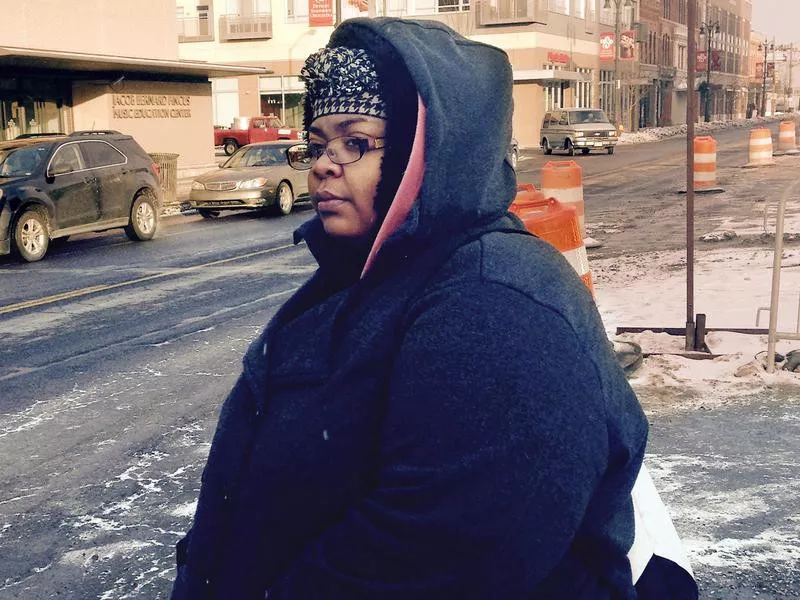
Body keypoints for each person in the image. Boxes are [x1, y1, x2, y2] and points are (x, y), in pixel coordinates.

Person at [171, 17, 649, 599]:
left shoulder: (493, 298)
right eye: (316, 145)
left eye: (354, 142)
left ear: (423, 149)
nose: (324, 164)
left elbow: (451, 548)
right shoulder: (372, 274)